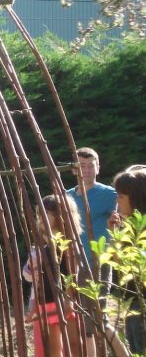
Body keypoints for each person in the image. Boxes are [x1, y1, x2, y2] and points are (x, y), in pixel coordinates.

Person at [66, 147, 128, 356]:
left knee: (98, 317)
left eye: (91, 165)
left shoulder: (109, 195)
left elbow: (124, 219)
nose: (86, 170)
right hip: (73, 262)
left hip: (97, 260)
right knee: (83, 319)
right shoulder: (66, 197)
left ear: (98, 167)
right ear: (74, 169)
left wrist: (117, 226)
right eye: (81, 166)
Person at [24, 195, 81, 356]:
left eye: (47, 213)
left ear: (62, 215)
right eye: (39, 214)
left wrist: (69, 299)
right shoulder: (45, 246)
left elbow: (72, 272)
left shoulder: (67, 244)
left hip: (62, 301)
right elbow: (40, 281)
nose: (41, 218)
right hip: (47, 302)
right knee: (53, 347)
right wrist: (35, 307)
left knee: (73, 344)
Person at [108, 165, 146, 355]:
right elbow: (118, 263)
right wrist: (115, 234)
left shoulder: (141, 229)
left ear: (136, 198)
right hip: (132, 301)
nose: (117, 201)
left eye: (121, 196)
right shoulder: (128, 227)